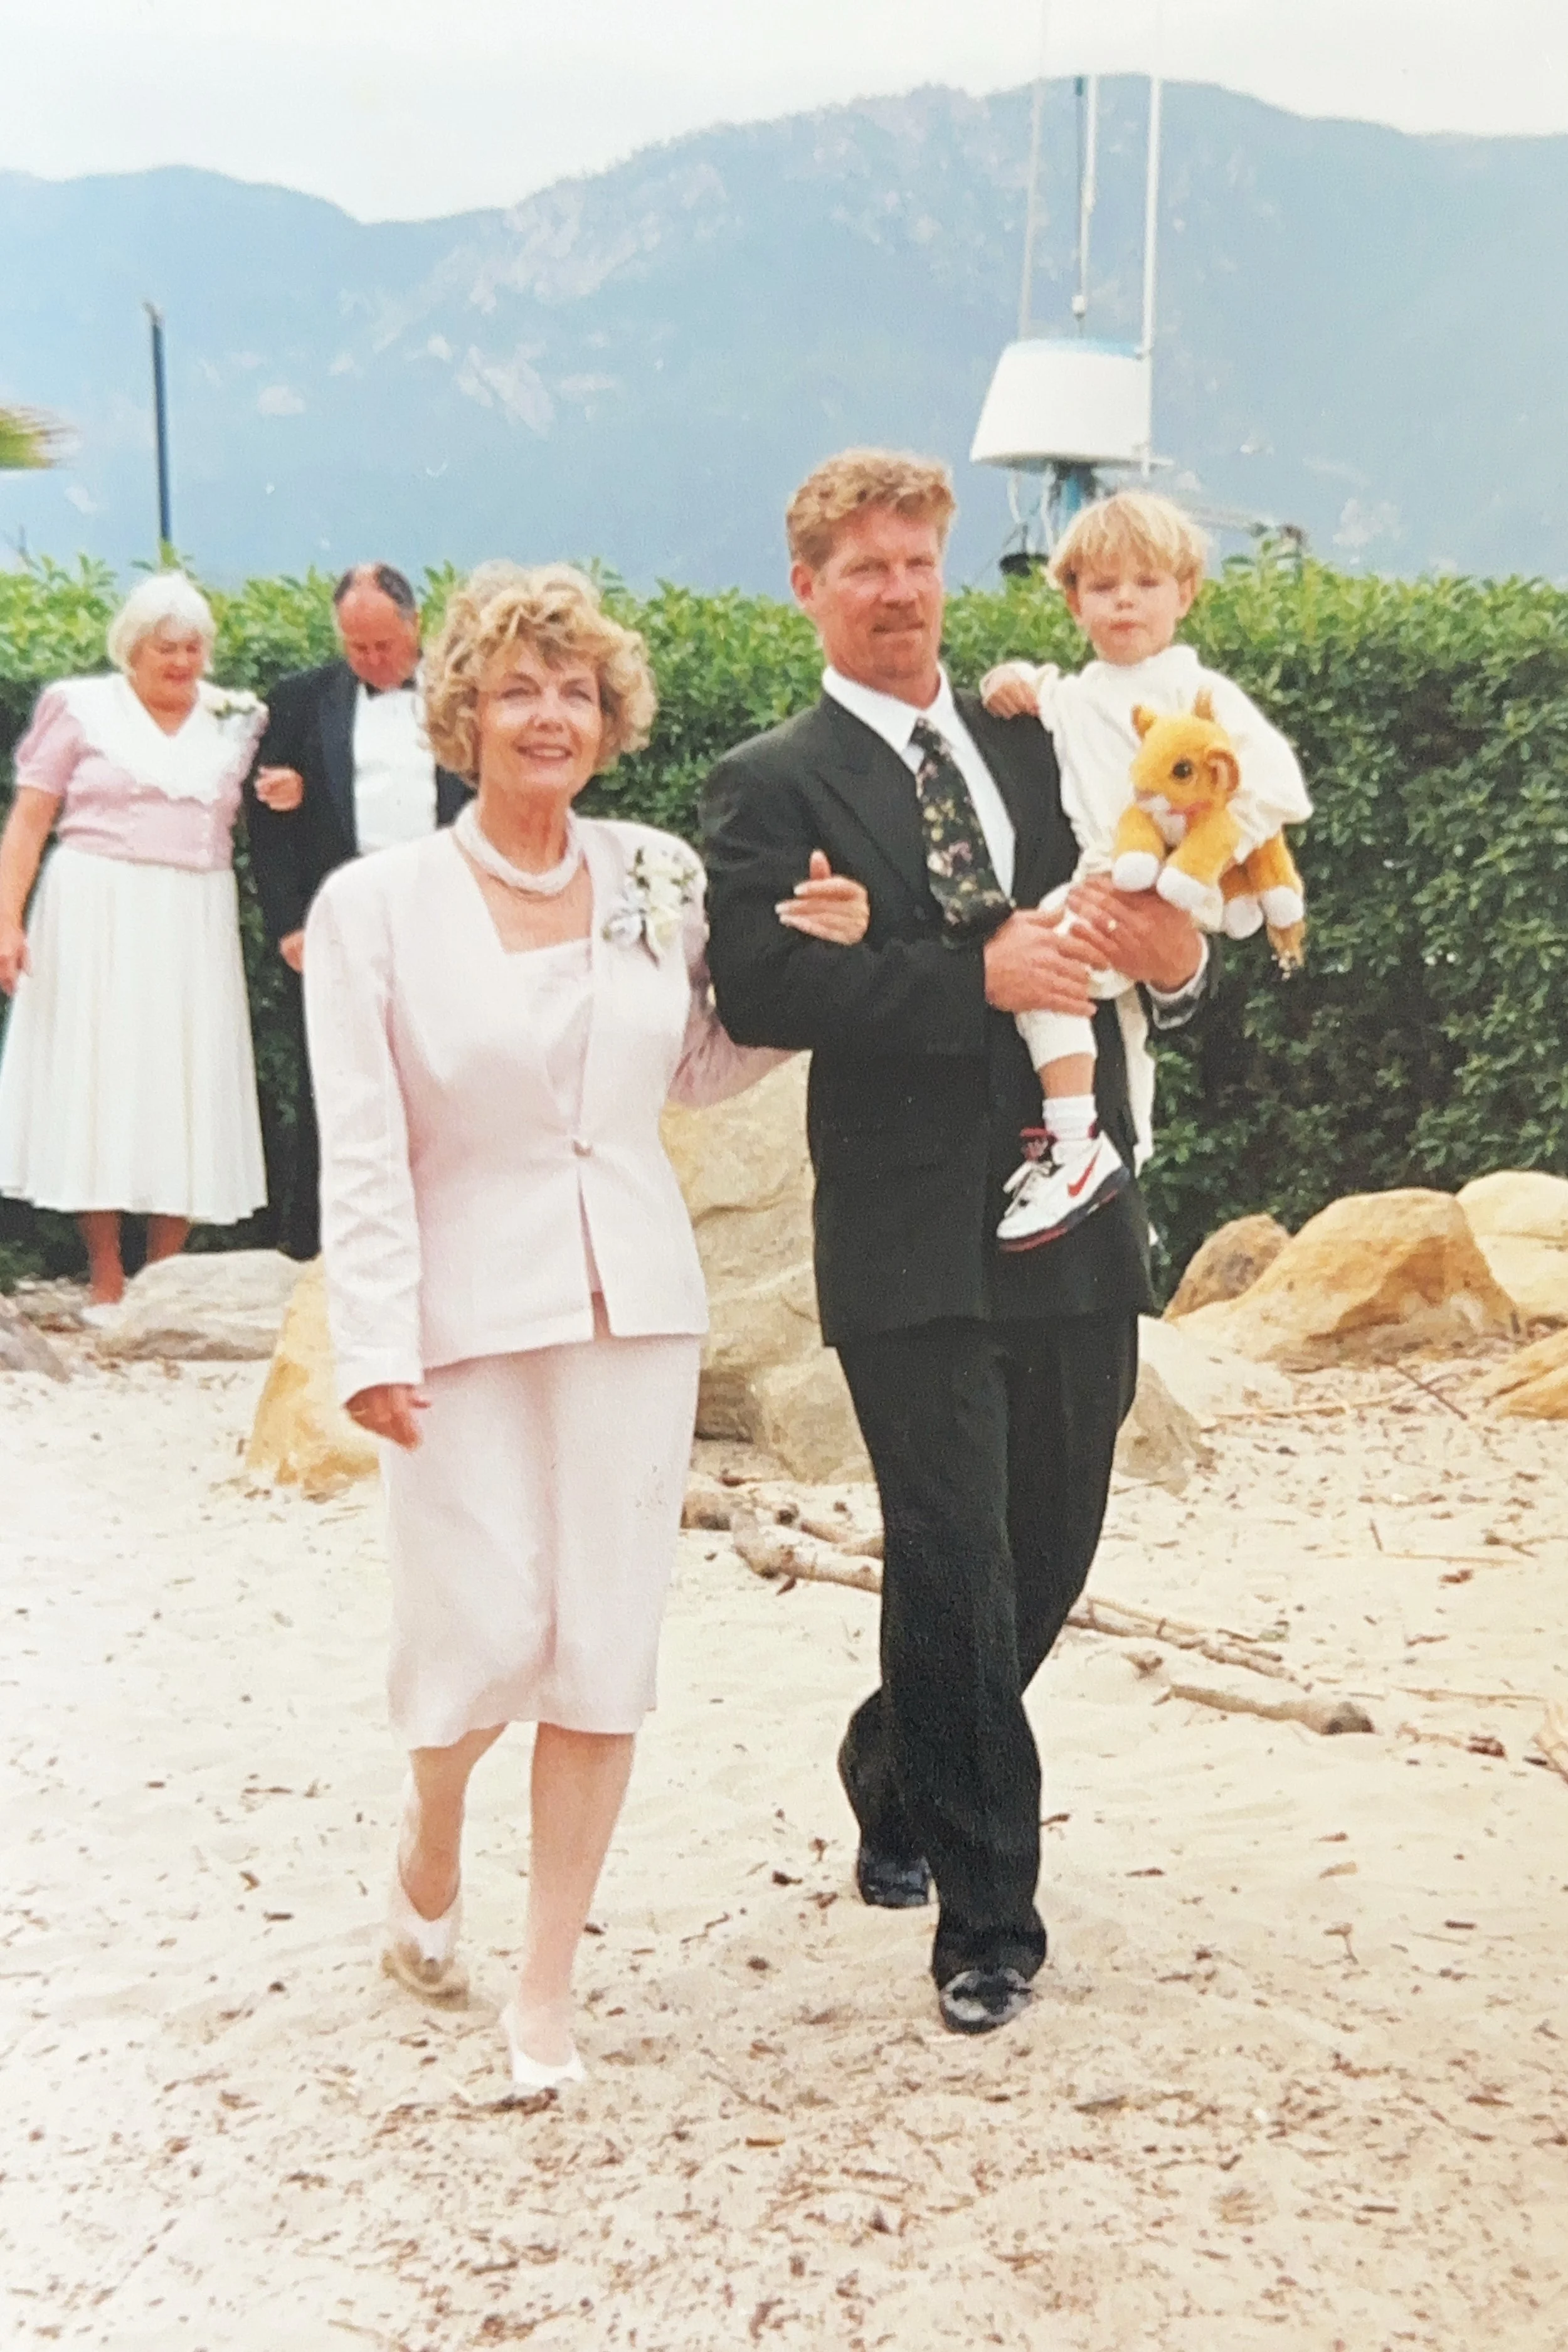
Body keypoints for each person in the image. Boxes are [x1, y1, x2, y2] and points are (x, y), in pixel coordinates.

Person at [303, 561, 869, 2096]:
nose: (547, 714)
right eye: (514, 687)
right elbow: (361, 1145)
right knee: (479, 1630)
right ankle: (430, 1839)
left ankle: (545, 1985)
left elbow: (695, 1063)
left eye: (574, 689)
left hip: (634, 1302)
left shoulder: (658, 875)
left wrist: (809, 963)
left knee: (600, 1645)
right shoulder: (371, 907)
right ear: (463, 714)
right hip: (460, 1314)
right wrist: (372, 1339)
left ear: (607, 717)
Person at [701, 449, 1212, 2037]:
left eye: (919, 561)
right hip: (908, 1223)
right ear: (809, 589)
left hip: (1074, 1196)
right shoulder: (769, 781)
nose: (902, 591)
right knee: (954, 1554)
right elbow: (762, 988)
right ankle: (989, 1919)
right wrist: (959, 981)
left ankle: (889, 1756)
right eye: (866, 567)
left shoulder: (1036, 727)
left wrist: (1181, 955)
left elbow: (1154, 890)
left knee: (1050, 1546)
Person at [980, 490, 1311, 1249]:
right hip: (1104, 880)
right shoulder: (1073, 695)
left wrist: (1191, 866)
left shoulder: (1200, 695)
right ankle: (1093, 1153)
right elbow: (1034, 694)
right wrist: (1008, 680)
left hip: (1166, 889)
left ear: (1185, 592)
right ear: (1072, 602)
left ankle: (1076, 1146)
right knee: (1054, 977)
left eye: (1146, 583)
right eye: (1101, 586)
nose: (1124, 601)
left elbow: (1274, 787)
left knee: (1049, 972)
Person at [0, 574, 296, 1312]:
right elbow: (31, 820)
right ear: (132, 647)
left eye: (194, 646)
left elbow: (286, 802)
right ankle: (104, 1273)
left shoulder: (242, 719)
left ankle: (163, 1280)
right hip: (93, 910)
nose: (182, 661)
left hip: (191, 915)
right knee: (96, 1082)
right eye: (166, 647)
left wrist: (290, 788)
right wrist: (6, 921)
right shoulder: (79, 708)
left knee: (183, 1083)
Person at [244, 562, 472, 1259]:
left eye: (385, 645)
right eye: (357, 647)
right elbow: (267, 820)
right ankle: (317, 1243)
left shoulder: (465, 695)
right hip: (343, 911)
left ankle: (449, 1230)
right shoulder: (302, 701)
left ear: (416, 626)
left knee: (448, 1065)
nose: (374, 661)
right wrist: (288, 922)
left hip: (444, 907)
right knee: (340, 1073)